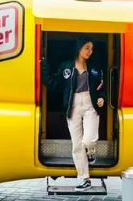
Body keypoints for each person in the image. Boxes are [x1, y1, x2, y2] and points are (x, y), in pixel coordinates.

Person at [41, 36, 105, 191]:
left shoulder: (95, 68)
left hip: (90, 104)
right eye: (87, 48)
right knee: (76, 145)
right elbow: (53, 83)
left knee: (88, 140)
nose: (90, 51)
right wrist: (43, 66)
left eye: (92, 49)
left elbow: (102, 87)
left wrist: (103, 97)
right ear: (79, 48)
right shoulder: (66, 67)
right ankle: (84, 179)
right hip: (73, 105)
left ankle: (90, 152)